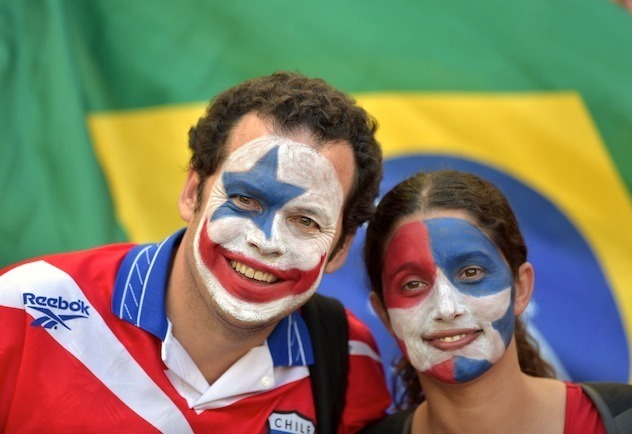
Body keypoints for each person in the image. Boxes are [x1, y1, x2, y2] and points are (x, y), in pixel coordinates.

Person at [0, 71, 391, 433]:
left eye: (306, 221)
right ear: (192, 194)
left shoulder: (346, 357)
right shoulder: (22, 308)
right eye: (244, 199)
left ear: (340, 247)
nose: (266, 241)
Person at [361, 170, 632, 434]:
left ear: (520, 288)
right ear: (384, 314)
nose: (447, 309)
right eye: (413, 284)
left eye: (471, 272)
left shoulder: (631, 418)